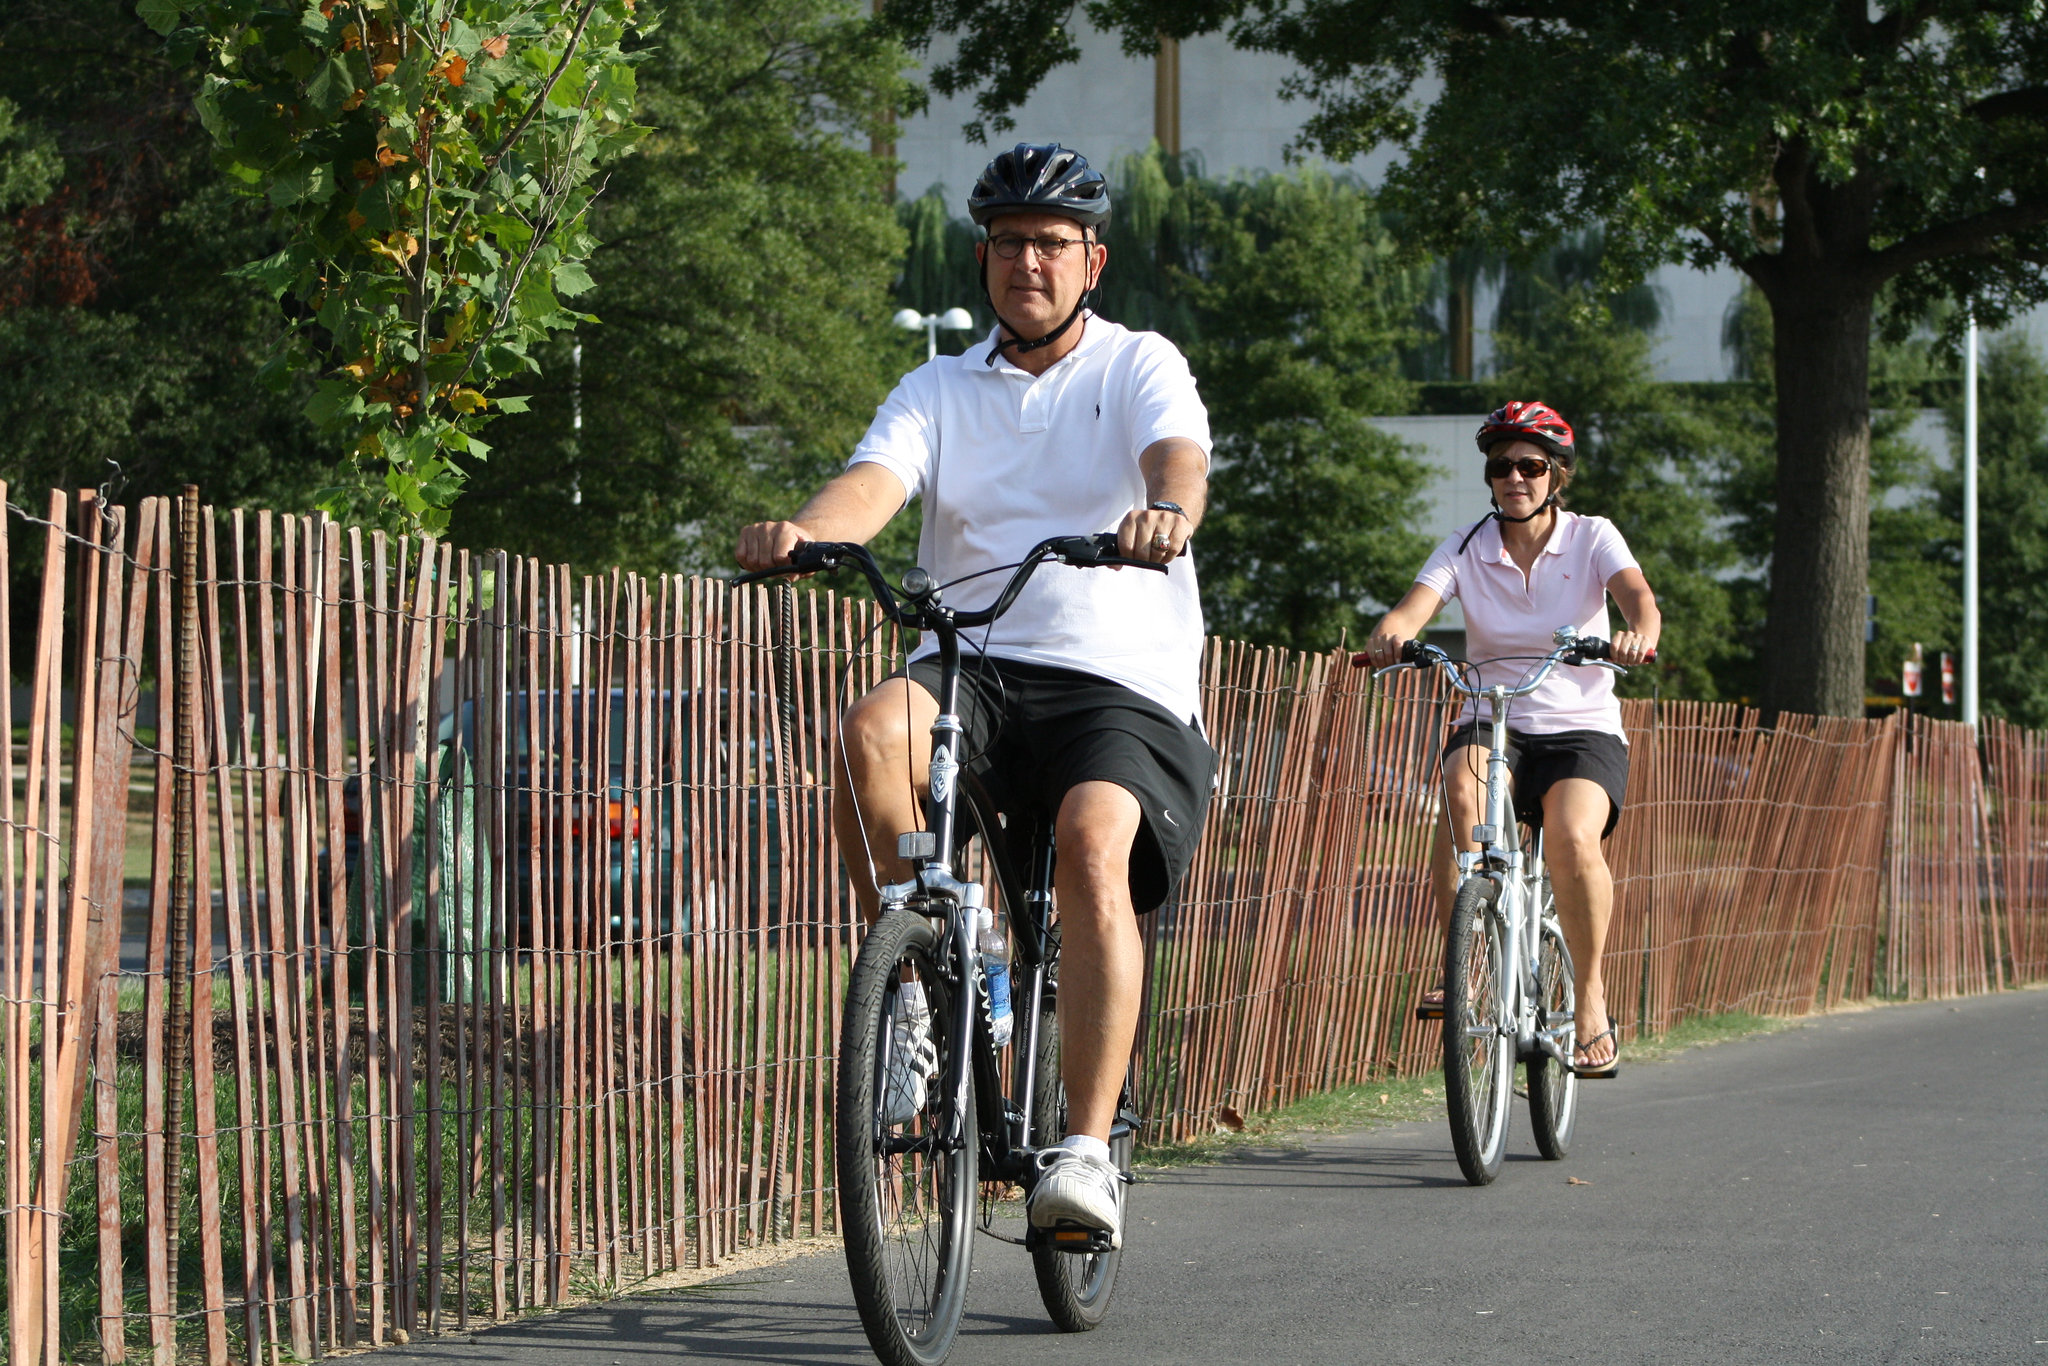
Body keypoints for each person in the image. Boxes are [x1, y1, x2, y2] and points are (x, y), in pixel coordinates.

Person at [734, 143, 1214, 1245]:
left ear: (1090, 260)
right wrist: (811, 530)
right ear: (984, 258)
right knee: (871, 730)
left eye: (1050, 244)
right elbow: (875, 481)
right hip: (979, 658)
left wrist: (1165, 515)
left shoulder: (1138, 363)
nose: (1027, 263)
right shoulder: (937, 384)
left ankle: (1084, 1157)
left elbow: (1174, 456)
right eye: (1007, 242)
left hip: (1116, 672)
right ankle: (925, 975)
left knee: (1094, 842)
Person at [1361, 401, 1659, 1077]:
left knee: (1572, 838)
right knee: (1459, 796)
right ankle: (1466, 962)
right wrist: (1392, 634)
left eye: (1530, 466)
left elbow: (1638, 595)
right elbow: (1416, 604)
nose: (1513, 479)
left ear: (1557, 476)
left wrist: (1638, 634)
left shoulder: (1592, 537)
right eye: (1501, 467)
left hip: (1579, 727)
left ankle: (1589, 999)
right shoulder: (1467, 546)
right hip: (1493, 715)